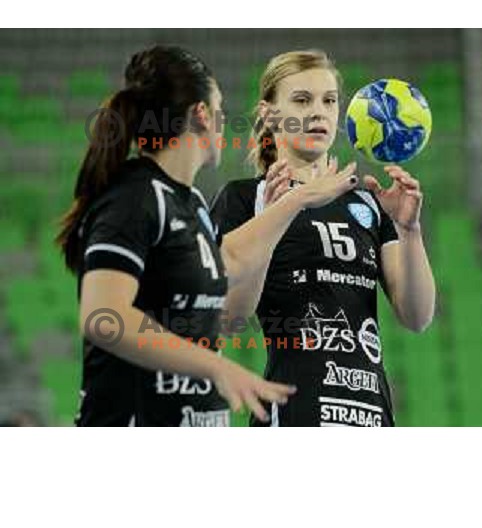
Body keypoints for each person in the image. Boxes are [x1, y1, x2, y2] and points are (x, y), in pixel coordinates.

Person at [57, 45, 356, 427]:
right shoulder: (135, 197)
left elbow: (226, 261)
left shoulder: (191, 202)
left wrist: (296, 200)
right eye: (219, 110)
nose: (224, 121)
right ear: (201, 115)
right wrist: (216, 367)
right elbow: (104, 317)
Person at [210, 50, 436, 427]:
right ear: (269, 114)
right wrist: (279, 213)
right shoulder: (245, 198)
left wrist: (409, 230)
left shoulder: (368, 201)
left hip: (370, 412)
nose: (319, 112)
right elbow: (230, 314)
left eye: (329, 101)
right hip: (295, 411)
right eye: (302, 100)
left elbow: (417, 316)